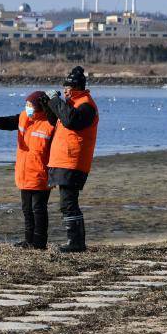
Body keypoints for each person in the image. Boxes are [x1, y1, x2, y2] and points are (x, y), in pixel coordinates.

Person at [0, 91, 56, 249]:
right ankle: (28, 241)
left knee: (38, 210)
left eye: (30, 105)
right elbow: (9, 122)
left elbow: (57, 149)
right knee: (27, 209)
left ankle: (40, 242)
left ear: (39, 106)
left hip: (41, 174)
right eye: (26, 104)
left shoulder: (51, 124)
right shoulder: (23, 117)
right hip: (24, 173)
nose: (27, 107)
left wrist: (55, 174)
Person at [38, 66, 98, 253]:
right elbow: (56, 121)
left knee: (69, 203)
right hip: (63, 160)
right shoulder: (71, 104)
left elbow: (71, 121)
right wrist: (48, 105)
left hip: (73, 161)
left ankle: (76, 243)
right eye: (63, 89)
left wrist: (56, 101)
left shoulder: (86, 105)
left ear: (76, 88)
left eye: (67, 88)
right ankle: (75, 242)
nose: (64, 91)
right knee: (67, 203)